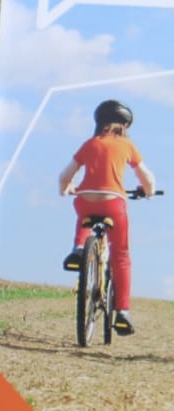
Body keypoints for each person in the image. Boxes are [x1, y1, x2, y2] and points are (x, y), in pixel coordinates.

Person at [63, 99, 156, 334]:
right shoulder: (127, 145)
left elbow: (65, 175)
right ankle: (122, 312)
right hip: (113, 202)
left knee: (83, 215)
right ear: (123, 126)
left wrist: (66, 188)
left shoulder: (89, 144)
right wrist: (149, 191)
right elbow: (147, 178)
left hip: (84, 199)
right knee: (121, 255)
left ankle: (78, 249)